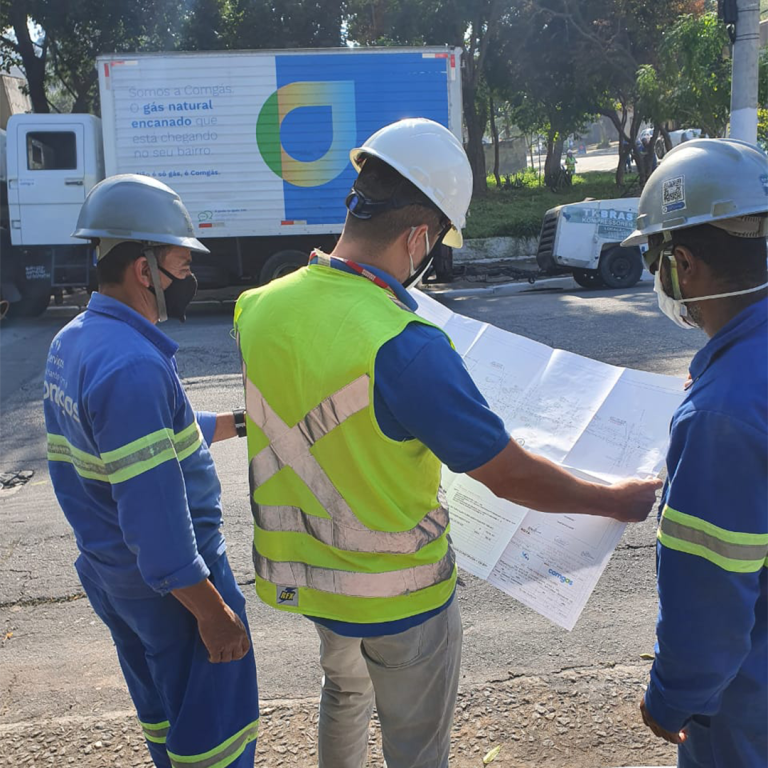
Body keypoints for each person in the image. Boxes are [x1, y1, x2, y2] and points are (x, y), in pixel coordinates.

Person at [234, 118, 661, 768]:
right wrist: (613, 500)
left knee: (343, 692)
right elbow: (509, 474)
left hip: (308, 582)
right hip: (401, 601)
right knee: (416, 746)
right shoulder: (406, 345)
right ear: (417, 237)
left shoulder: (256, 308)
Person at [44, 174, 260, 768]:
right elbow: (159, 530)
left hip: (116, 578)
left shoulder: (77, 341)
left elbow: (165, 433)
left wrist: (243, 423)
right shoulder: (133, 366)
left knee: (168, 723)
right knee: (217, 742)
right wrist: (214, 616)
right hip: (176, 593)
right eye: (181, 264)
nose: (189, 277)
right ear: (144, 269)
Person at [622, 138, 768, 768]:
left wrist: (671, 699)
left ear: (682, 264)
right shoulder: (735, 387)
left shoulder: (722, 415)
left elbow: (710, 592)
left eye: (658, 260)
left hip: (744, 708)